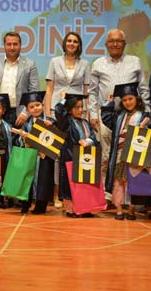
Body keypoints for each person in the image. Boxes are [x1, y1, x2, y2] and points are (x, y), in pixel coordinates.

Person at [89, 29, 150, 194]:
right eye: (111, 41)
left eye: (119, 41)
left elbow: (143, 88)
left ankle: (127, 195)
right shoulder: (98, 63)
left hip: (131, 116)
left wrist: (147, 113)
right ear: (106, 44)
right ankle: (106, 194)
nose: (115, 44)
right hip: (106, 114)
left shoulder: (135, 62)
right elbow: (93, 92)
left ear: (124, 44)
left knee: (128, 156)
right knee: (105, 155)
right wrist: (93, 114)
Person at [44, 31, 91, 208]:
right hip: (58, 111)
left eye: (75, 41)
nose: (72, 43)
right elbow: (49, 89)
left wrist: (85, 113)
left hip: (76, 112)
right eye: (69, 41)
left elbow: (86, 91)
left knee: (74, 154)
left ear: (79, 45)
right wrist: (48, 113)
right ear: (64, 43)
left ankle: (74, 193)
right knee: (56, 153)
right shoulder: (54, 61)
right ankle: (56, 194)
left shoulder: (85, 64)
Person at [102, 82, 150, 220]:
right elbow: (106, 118)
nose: (128, 102)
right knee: (118, 182)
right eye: (124, 100)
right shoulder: (119, 116)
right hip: (119, 154)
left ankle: (131, 210)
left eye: (130, 99)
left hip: (135, 154)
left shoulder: (144, 116)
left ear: (137, 99)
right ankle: (119, 210)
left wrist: (144, 125)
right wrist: (110, 103)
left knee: (133, 182)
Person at [0, 32, 39, 127]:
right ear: (4, 46)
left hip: (20, 113)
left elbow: (34, 91)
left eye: (15, 44)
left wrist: (26, 112)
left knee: (20, 137)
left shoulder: (30, 64)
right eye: (9, 44)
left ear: (20, 45)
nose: (12, 47)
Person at [54, 93, 99, 217]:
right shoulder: (66, 122)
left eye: (81, 107)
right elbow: (59, 111)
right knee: (71, 185)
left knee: (84, 184)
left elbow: (93, 137)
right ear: (69, 110)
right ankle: (71, 210)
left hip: (85, 157)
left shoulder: (85, 122)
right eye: (76, 107)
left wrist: (88, 142)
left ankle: (84, 208)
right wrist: (63, 99)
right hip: (70, 156)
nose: (80, 110)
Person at [16, 91, 55, 215]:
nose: (35, 108)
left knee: (44, 180)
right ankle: (25, 204)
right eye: (31, 107)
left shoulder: (50, 121)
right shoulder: (26, 124)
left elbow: (56, 138)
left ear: (42, 106)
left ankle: (41, 205)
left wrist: (52, 127)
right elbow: (19, 140)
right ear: (27, 110)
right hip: (30, 156)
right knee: (27, 179)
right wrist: (23, 138)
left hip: (45, 157)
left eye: (38, 105)